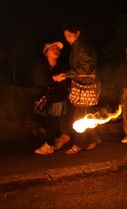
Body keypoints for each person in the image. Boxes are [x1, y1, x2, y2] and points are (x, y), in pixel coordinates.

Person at [53, 23, 102, 154]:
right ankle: (94, 138)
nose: (68, 38)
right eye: (66, 36)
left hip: (88, 87)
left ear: (78, 33)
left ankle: (79, 144)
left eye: (70, 35)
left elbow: (85, 68)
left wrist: (65, 75)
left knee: (78, 117)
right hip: (80, 86)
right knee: (83, 115)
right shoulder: (76, 48)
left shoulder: (85, 48)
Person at [33, 42, 71, 155]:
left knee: (51, 120)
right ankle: (60, 136)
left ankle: (49, 145)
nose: (56, 50)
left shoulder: (63, 66)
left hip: (58, 97)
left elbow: (68, 82)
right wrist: (53, 78)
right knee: (38, 117)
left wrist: (62, 80)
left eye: (57, 49)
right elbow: (38, 80)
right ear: (46, 52)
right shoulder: (41, 65)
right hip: (45, 97)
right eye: (52, 48)